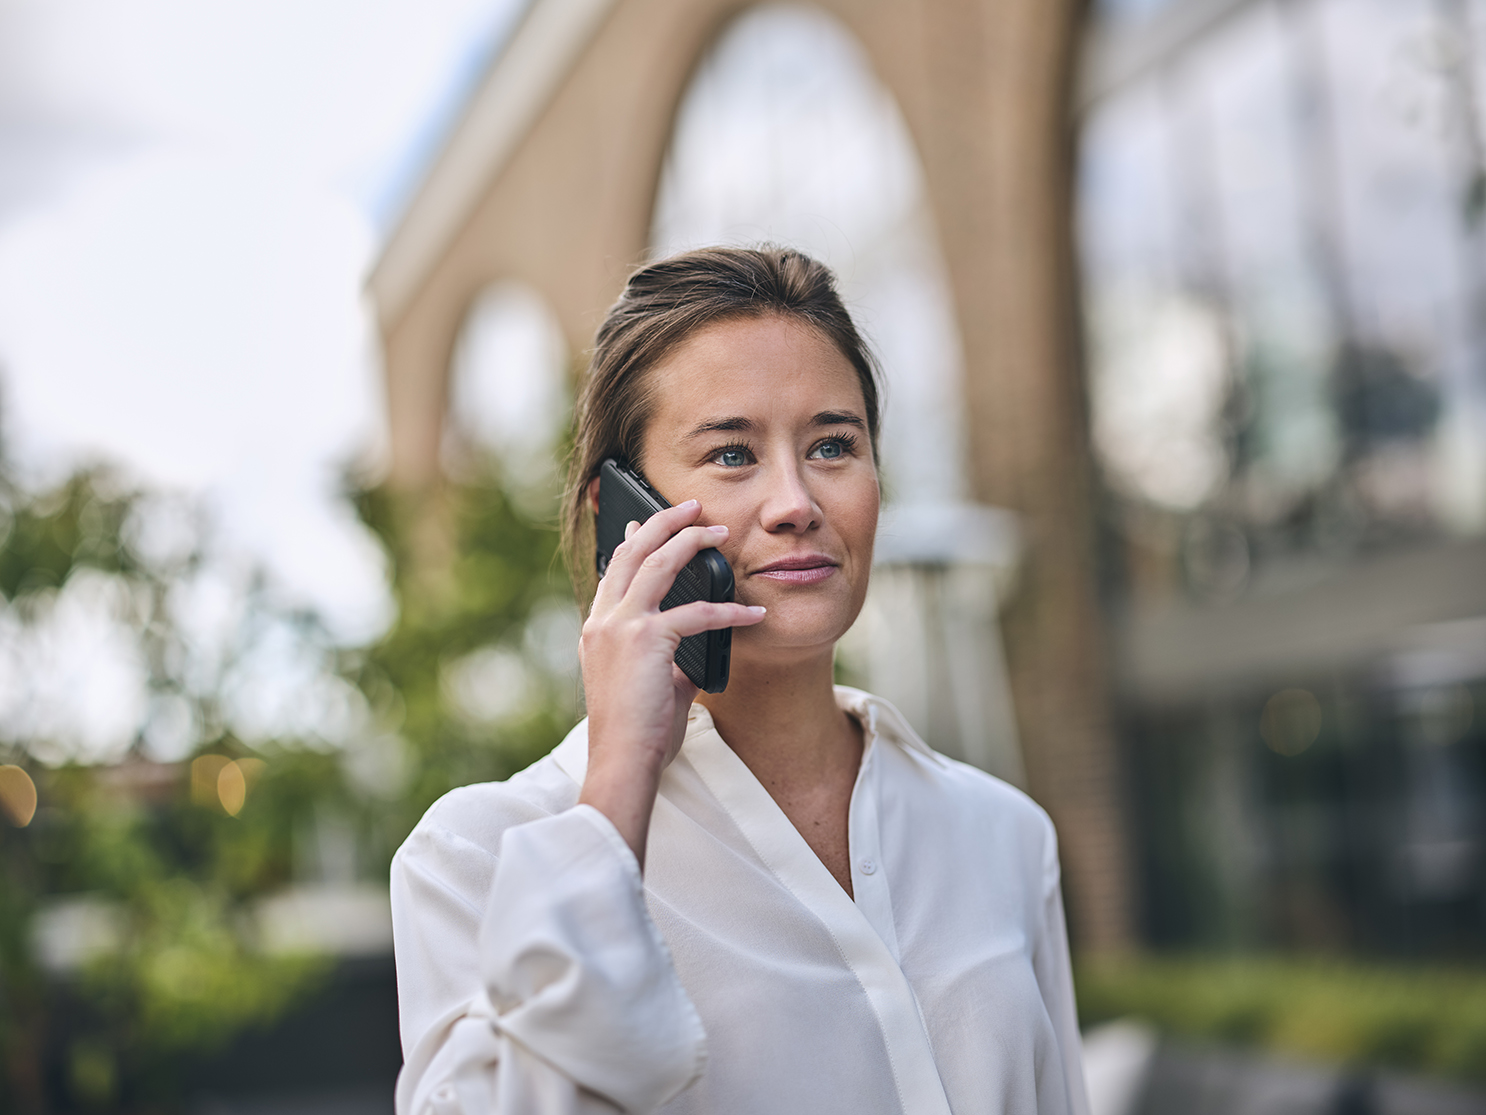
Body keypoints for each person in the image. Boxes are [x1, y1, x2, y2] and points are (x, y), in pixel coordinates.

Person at [390, 247, 1090, 1115]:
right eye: (731, 454)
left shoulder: (1003, 835)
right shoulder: (478, 856)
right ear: (627, 510)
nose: (796, 500)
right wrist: (613, 793)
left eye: (833, 444)